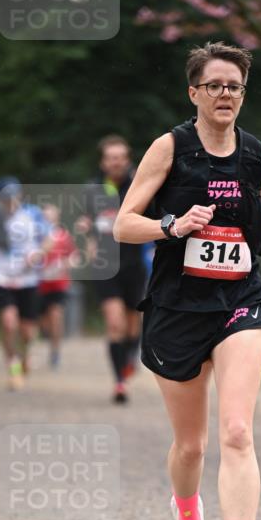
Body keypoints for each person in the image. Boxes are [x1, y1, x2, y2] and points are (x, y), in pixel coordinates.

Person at [114, 41, 261, 520]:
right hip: (176, 306)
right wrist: (172, 225)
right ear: (193, 92)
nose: (226, 95)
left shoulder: (259, 155)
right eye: (215, 85)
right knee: (191, 446)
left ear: (244, 95)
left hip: (241, 302)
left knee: (238, 433)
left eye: (235, 87)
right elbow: (124, 225)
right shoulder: (170, 148)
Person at [79, 136, 148, 403]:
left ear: (128, 159)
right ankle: (119, 382)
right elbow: (83, 223)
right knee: (115, 323)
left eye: (120, 157)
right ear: (103, 161)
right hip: (105, 267)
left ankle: (131, 354)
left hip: (133, 265)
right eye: (111, 157)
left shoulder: (139, 187)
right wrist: (87, 238)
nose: (116, 162)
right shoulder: (94, 189)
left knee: (133, 325)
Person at [0, 178, 50, 390]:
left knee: (27, 332)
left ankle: (24, 358)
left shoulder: (32, 213)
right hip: (3, 278)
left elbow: (49, 238)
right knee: (8, 324)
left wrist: (39, 254)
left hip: (28, 280)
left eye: (14, 197)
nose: (11, 202)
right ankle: (12, 366)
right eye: (6, 198)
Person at [38, 202, 79, 368]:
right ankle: (46, 343)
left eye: (51, 215)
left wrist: (68, 263)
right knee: (43, 322)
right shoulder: (36, 235)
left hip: (58, 283)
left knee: (56, 316)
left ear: (57, 217)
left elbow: (74, 256)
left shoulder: (63, 235)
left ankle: (55, 352)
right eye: (45, 215)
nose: (48, 218)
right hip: (39, 283)